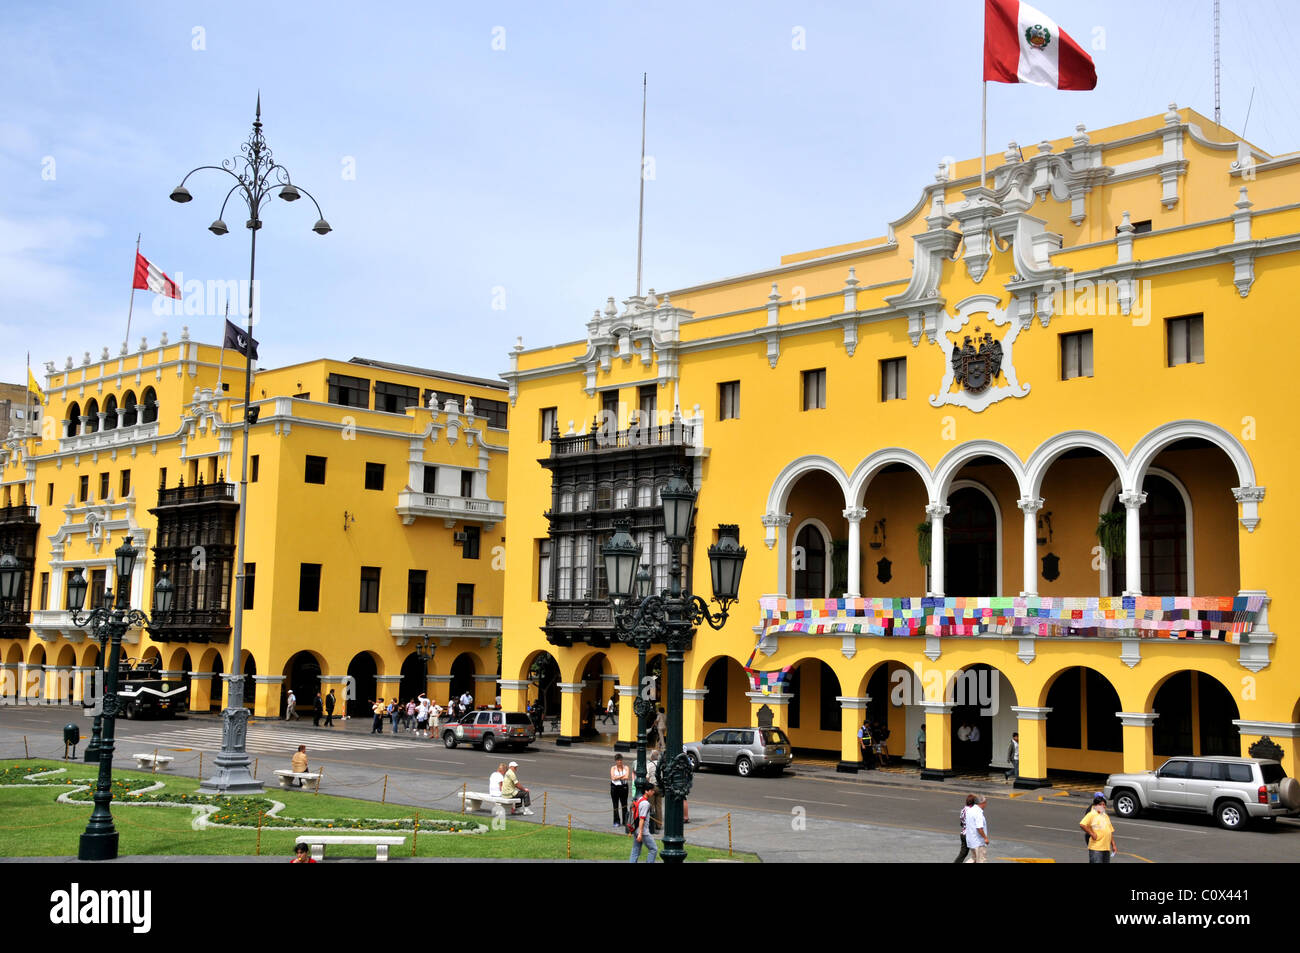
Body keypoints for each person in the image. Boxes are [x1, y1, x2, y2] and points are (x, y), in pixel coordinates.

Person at [1079, 793, 1119, 863]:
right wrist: (1092, 834)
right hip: (1096, 848)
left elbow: (1110, 830)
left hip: (1106, 848)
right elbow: (1082, 824)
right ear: (1095, 806)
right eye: (1100, 804)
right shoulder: (1091, 814)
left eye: (1104, 805)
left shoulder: (1105, 815)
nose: (1103, 806)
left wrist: (1113, 845)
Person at [628, 781, 658, 863]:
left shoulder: (640, 799)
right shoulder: (645, 803)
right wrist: (641, 833)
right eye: (651, 790)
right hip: (643, 831)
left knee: (635, 850)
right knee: (653, 849)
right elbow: (642, 819)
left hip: (636, 829)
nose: (653, 792)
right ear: (646, 791)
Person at [963, 795, 989, 863]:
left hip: (971, 840)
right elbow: (979, 828)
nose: (986, 805)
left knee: (974, 859)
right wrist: (985, 838)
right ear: (982, 803)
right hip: (978, 842)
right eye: (985, 803)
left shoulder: (970, 810)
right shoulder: (978, 813)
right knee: (981, 860)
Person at [610, 753, 630, 827]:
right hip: (615, 787)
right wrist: (622, 776)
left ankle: (625, 821)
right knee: (615, 805)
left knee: (624, 804)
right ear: (616, 761)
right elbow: (613, 778)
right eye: (618, 760)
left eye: (621, 760)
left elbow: (627, 777)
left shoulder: (626, 767)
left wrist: (617, 776)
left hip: (624, 787)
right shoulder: (613, 768)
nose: (619, 762)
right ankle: (616, 821)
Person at [954, 794, 974, 863]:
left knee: (962, 854)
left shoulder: (963, 810)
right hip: (969, 834)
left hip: (963, 833)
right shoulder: (972, 811)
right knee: (976, 855)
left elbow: (961, 823)